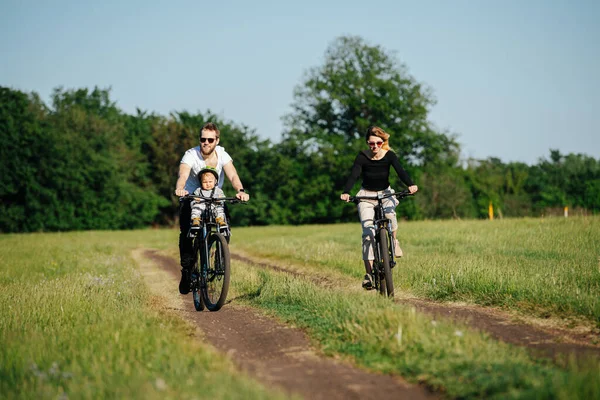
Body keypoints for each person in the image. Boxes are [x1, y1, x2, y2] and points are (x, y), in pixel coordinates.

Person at [174, 122, 249, 294]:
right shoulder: (191, 155)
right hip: (192, 197)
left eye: (210, 139)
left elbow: (233, 175)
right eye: (203, 139)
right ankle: (187, 270)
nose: (206, 142)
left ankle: (218, 256)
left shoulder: (222, 154)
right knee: (186, 234)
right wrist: (181, 188)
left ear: (217, 140)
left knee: (225, 227)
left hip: (215, 198)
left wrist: (241, 191)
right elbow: (183, 174)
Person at [340, 126, 418, 290]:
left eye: (378, 143)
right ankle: (369, 275)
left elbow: (400, 171)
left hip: (385, 193)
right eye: (371, 144)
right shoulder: (362, 157)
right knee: (368, 233)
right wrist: (346, 192)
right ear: (367, 143)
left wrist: (410, 185)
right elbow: (354, 175)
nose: (374, 147)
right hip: (366, 196)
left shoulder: (389, 155)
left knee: (390, 216)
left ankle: (394, 241)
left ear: (383, 142)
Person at [189, 167, 227, 232]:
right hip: (202, 207)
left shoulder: (218, 190)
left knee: (219, 208)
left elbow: (223, 198)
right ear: (201, 182)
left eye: (210, 182)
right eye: (205, 182)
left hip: (213, 206)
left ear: (215, 181)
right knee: (196, 207)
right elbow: (193, 199)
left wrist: (220, 199)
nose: (208, 184)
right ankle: (195, 220)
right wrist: (195, 199)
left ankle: (220, 220)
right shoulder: (198, 191)